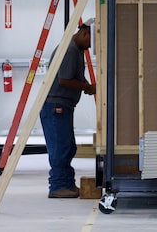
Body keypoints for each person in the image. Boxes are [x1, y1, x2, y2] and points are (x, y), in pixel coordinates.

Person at [39, 23, 95, 198]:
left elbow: (74, 76)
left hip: (63, 106)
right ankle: (58, 186)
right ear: (85, 33)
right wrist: (86, 87)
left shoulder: (76, 50)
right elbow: (64, 80)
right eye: (91, 40)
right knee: (61, 147)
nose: (91, 45)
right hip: (56, 106)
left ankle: (67, 184)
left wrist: (86, 85)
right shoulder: (70, 50)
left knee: (68, 147)